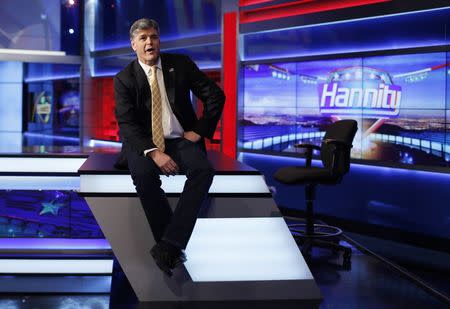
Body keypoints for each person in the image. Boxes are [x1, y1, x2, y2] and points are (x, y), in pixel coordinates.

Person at [114, 18, 225, 276]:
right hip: (143, 143)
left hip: (179, 139)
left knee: (203, 170)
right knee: (143, 175)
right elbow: (127, 124)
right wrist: (154, 153)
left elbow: (215, 96)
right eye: (143, 39)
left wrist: (199, 130)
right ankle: (171, 246)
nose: (149, 43)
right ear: (134, 45)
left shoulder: (181, 65)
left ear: (159, 40)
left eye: (153, 37)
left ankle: (169, 246)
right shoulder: (124, 78)